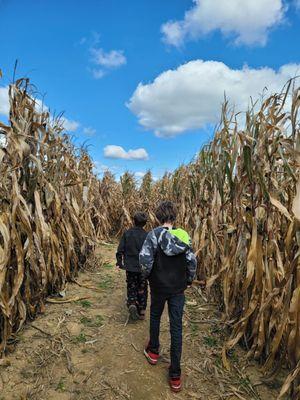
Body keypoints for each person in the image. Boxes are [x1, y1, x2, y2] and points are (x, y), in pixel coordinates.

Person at [139, 201, 197, 392]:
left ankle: (154, 351)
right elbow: (191, 262)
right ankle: (175, 375)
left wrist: (147, 277)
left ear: (158, 216)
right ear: (174, 217)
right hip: (177, 289)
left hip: (158, 286)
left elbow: (145, 260)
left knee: (155, 316)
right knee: (176, 327)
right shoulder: (183, 235)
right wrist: (188, 281)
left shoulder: (153, 235)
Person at [116, 212, 148, 321]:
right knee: (142, 288)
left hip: (130, 267)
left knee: (131, 286)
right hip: (143, 268)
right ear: (145, 223)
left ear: (133, 221)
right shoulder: (147, 235)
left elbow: (120, 250)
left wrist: (119, 262)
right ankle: (142, 311)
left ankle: (132, 303)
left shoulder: (127, 234)